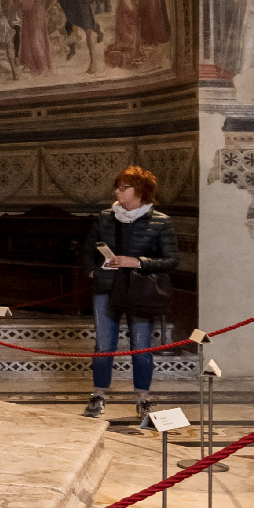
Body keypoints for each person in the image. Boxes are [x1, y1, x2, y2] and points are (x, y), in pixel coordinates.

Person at [84, 165, 178, 422]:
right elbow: (87, 251)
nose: (117, 191)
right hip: (106, 287)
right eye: (117, 186)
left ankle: (143, 399)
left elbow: (171, 260)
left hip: (141, 290)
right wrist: (93, 271)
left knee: (141, 346)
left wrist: (136, 262)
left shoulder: (160, 221)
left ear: (140, 191)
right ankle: (98, 396)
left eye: (123, 187)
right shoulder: (105, 217)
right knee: (104, 345)